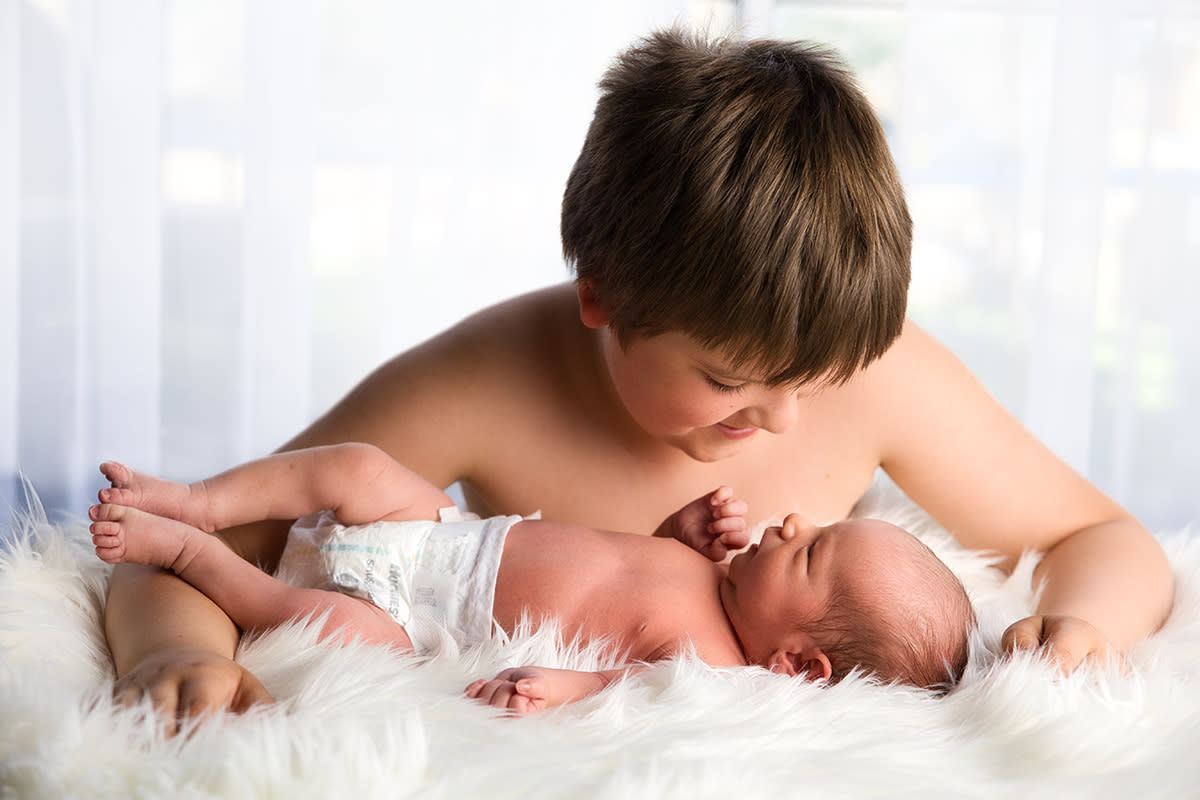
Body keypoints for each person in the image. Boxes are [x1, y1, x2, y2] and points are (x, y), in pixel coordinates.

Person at [101, 28, 1173, 730]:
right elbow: (198, 545)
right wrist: (171, 657)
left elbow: (1108, 540)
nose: (788, 418)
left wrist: (1079, 630)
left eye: (815, 377)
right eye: (727, 379)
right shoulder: (488, 377)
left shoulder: (873, 372)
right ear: (605, 294)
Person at [89, 444, 974, 711]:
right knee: (356, 465)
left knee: (321, 624)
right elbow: (619, 562)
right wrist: (675, 532)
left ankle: (191, 555)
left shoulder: (717, 669)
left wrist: (564, 685)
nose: (793, 522)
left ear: (798, 665)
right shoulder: (708, 575)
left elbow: (629, 684)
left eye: (811, 552)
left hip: (416, 611)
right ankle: (199, 501)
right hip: (449, 538)